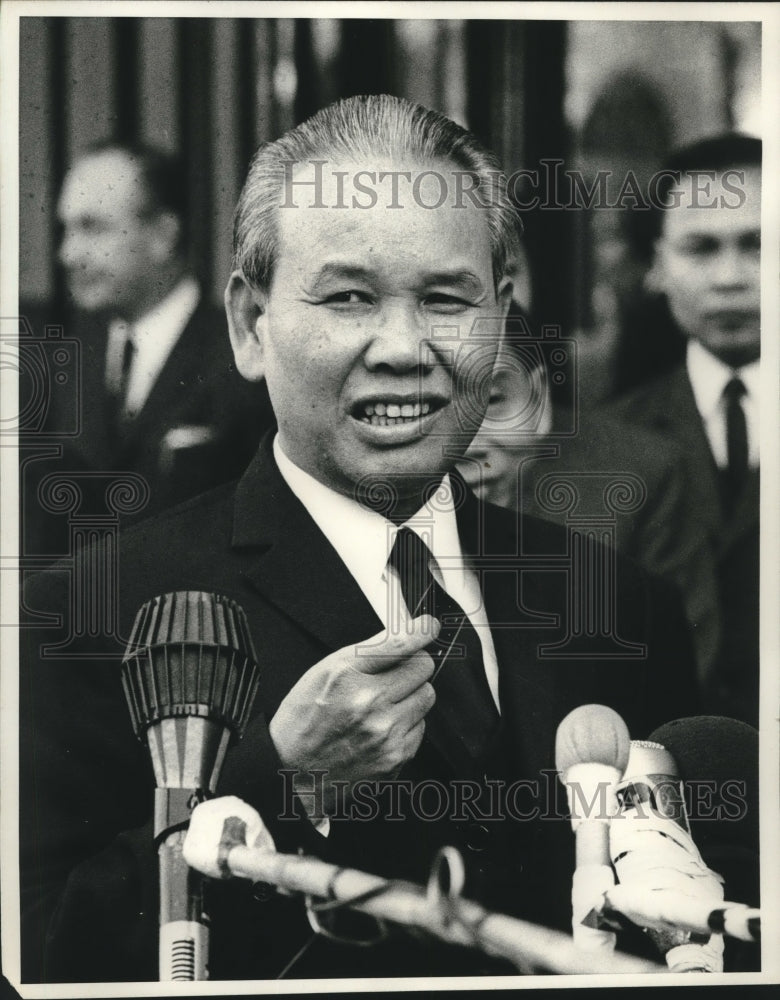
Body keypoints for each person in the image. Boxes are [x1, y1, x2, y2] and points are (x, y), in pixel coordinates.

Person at [20, 96, 701, 983]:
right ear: (248, 324)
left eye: (445, 298)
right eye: (348, 297)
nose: (403, 347)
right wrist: (281, 786)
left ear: (499, 313)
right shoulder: (90, 612)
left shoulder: (616, 604)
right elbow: (44, 952)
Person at [22, 142, 273, 560]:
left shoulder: (242, 356)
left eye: (93, 228)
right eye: (65, 230)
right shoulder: (63, 360)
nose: (68, 254)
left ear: (163, 236)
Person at [457, 327, 718, 681]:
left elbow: (681, 653)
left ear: (538, 391)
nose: (467, 445)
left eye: (492, 401)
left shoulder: (641, 473)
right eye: (433, 407)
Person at [609, 134, 761, 726]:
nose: (730, 277)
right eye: (700, 248)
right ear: (655, 267)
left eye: (758, 245)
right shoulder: (610, 437)